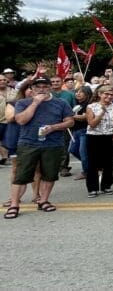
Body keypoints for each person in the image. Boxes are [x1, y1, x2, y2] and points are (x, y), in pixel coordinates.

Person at [6, 77, 74, 219]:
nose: (41, 89)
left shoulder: (61, 103)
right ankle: (14, 205)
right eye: (38, 87)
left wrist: (54, 127)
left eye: (44, 86)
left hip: (53, 144)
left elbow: (70, 122)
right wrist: (35, 103)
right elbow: (21, 120)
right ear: (33, 88)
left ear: (50, 87)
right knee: (21, 176)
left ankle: (43, 201)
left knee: (49, 175)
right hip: (28, 143)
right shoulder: (23, 103)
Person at [84, 85, 113, 197]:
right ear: (100, 94)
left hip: (110, 136)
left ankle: (106, 185)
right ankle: (92, 188)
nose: (109, 97)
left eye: (112, 95)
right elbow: (92, 124)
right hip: (94, 136)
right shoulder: (91, 106)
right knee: (93, 163)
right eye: (106, 94)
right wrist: (102, 112)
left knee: (109, 163)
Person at [68, 86, 93, 180]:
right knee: (73, 150)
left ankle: (86, 171)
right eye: (76, 92)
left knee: (83, 152)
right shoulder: (77, 105)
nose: (77, 93)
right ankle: (91, 166)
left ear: (87, 94)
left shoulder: (89, 105)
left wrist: (71, 115)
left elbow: (85, 117)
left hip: (85, 130)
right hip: (75, 131)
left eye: (80, 92)